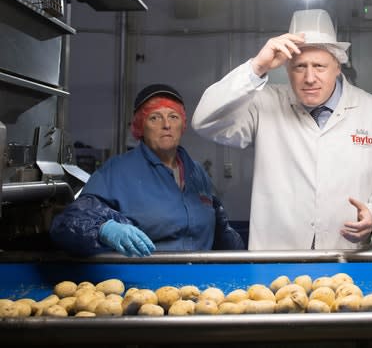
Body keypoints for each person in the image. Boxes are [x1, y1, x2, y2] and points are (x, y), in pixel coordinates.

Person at [191, 9, 372, 250]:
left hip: (348, 257)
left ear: (338, 66)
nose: (309, 77)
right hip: (277, 259)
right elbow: (204, 120)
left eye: (319, 66)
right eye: (299, 67)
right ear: (286, 69)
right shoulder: (265, 104)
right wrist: (255, 68)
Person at [50, 84, 245, 256]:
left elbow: (220, 230)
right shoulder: (118, 171)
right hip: (143, 286)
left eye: (173, 117)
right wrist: (103, 228)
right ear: (139, 127)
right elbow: (68, 223)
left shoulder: (197, 173)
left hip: (200, 286)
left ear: (182, 125)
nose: (166, 125)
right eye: (155, 118)